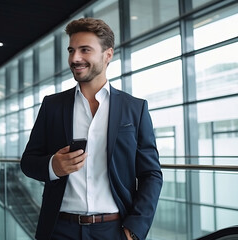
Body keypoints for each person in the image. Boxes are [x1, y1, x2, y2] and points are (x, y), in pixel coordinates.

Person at [21, 18, 163, 240]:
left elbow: (151, 174)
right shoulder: (53, 106)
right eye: (71, 50)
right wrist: (53, 166)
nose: (75, 58)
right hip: (59, 229)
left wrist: (135, 229)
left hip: (114, 230)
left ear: (107, 55)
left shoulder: (135, 109)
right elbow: (28, 162)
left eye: (84, 50)